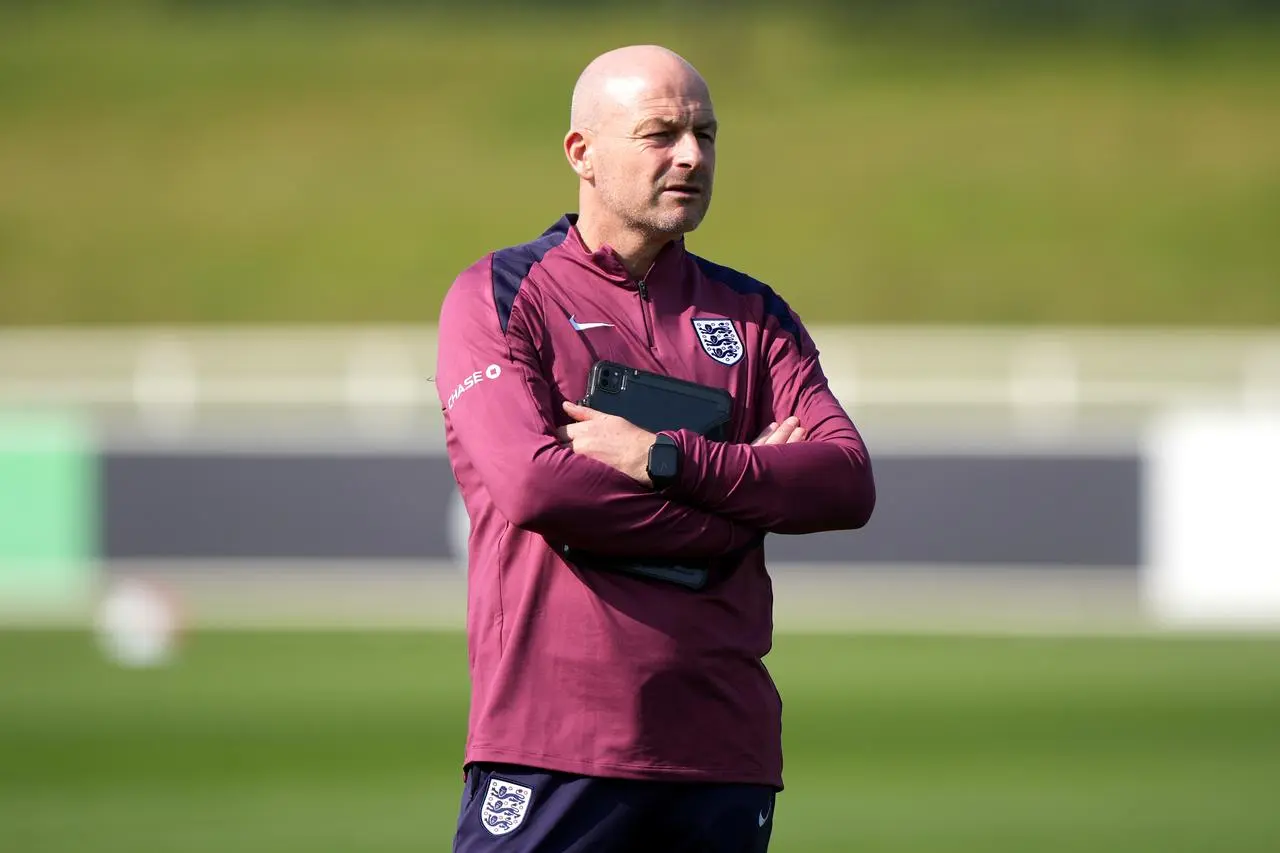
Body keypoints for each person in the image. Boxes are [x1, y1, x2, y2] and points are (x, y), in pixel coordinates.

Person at [436, 44, 876, 852]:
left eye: (706, 134)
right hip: (552, 746)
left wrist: (667, 458)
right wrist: (739, 514)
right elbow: (540, 490)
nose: (692, 156)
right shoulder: (499, 295)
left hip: (724, 750)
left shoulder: (752, 312)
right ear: (582, 152)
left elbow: (846, 481)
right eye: (660, 133)